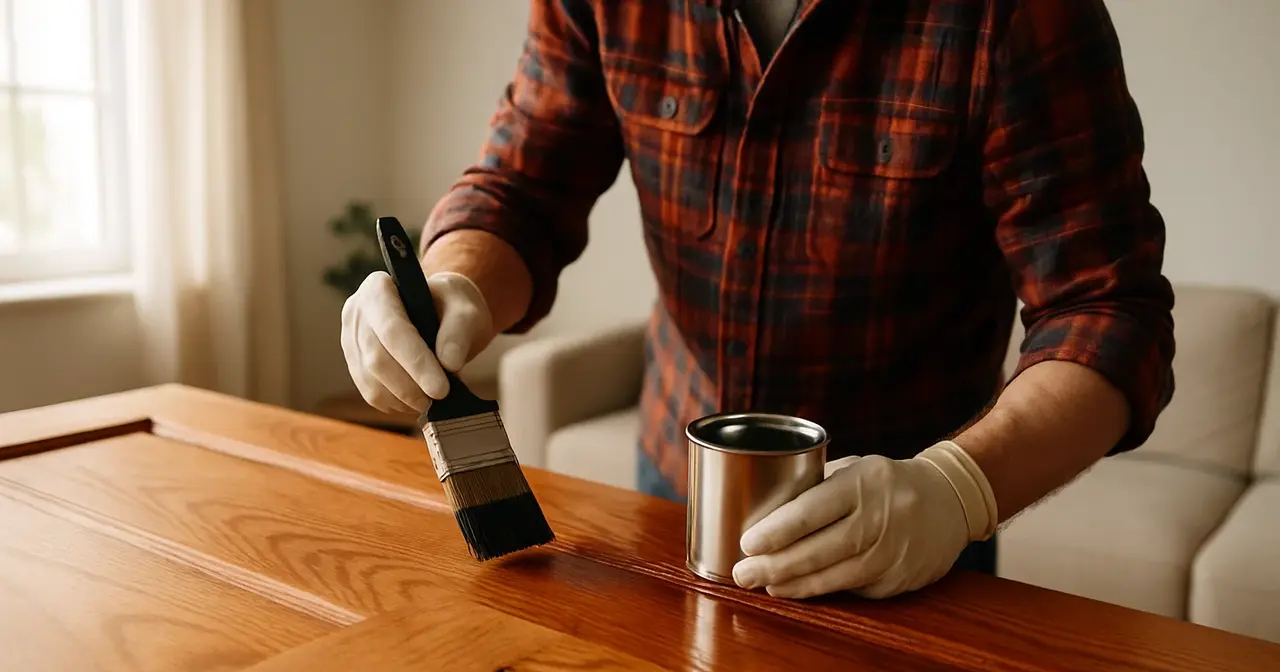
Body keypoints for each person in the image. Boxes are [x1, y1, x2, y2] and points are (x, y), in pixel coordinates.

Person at [340, 0, 1175, 601]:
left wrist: (957, 491)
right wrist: (458, 282)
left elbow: (1109, 315)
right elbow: (522, 186)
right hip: (672, 492)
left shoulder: (1019, 13)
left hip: (903, 538)